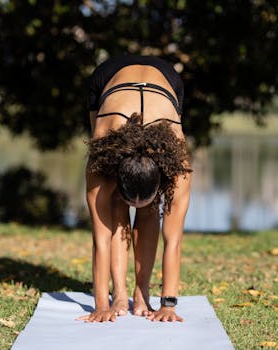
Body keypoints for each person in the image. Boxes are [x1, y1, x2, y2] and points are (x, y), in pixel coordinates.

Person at [77, 55, 192, 323]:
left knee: (150, 209)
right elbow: (100, 237)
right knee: (114, 204)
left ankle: (142, 293)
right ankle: (119, 294)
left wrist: (169, 304)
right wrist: (101, 305)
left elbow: (173, 240)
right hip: (107, 78)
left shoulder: (178, 167)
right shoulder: (102, 158)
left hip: (167, 81)